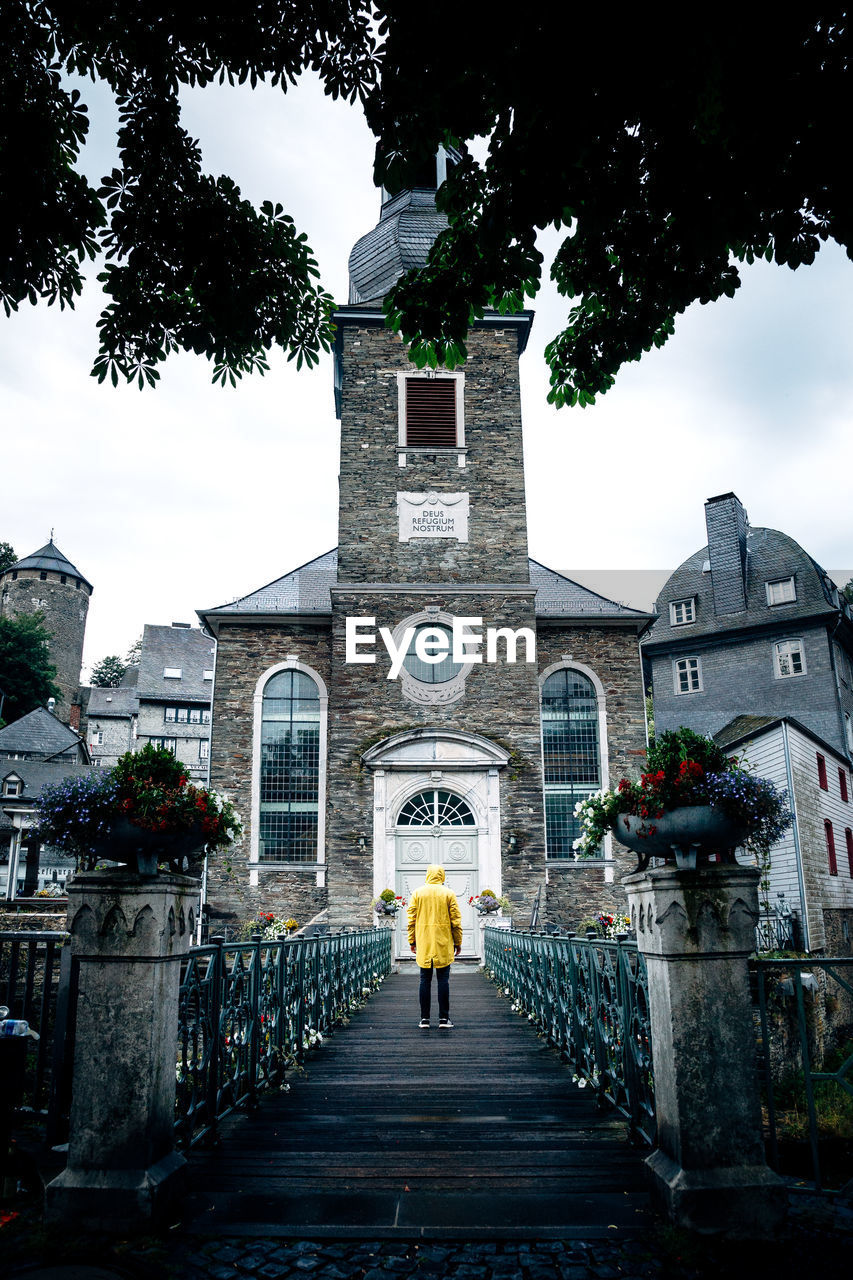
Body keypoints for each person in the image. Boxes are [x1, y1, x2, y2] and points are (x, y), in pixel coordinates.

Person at [407, 864, 463, 1030]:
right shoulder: (448, 893)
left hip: (424, 942)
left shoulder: (417, 893)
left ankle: (424, 1019)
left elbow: (411, 920)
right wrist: (458, 942)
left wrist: (412, 941)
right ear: (442, 876)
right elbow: (456, 921)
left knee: (424, 979)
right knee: (443, 980)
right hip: (443, 942)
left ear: (427, 875)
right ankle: (444, 1019)